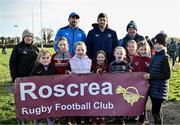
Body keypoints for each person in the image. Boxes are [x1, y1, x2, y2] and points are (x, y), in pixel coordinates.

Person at [143, 32, 171, 125]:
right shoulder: (155, 56)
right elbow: (155, 69)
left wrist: (151, 76)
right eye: (155, 44)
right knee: (157, 112)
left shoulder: (165, 58)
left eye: (159, 44)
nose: (157, 46)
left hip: (159, 90)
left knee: (155, 112)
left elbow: (167, 75)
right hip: (154, 88)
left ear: (164, 45)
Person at [68, 41, 92, 124]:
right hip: (75, 87)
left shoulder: (90, 61)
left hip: (87, 87)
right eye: (78, 50)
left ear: (86, 50)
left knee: (87, 103)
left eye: (82, 50)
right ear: (75, 50)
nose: (80, 52)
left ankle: (86, 120)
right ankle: (77, 121)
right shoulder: (71, 61)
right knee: (77, 104)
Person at [30, 49, 56, 125]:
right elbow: (30, 80)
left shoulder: (53, 68)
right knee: (38, 114)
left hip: (51, 95)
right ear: (39, 59)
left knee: (50, 113)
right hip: (39, 96)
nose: (46, 60)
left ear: (50, 58)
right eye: (43, 58)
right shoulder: (36, 69)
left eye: (48, 58)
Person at [130, 40, 151, 124]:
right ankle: (136, 115)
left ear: (148, 50)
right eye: (141, 50)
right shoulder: (135, 58)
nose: (143, 51)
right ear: (138, 50)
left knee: (143, 101)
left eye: (145, 49)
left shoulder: (149, 60)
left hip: (145, 85)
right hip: (136, 84)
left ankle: (142, 119)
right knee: (137, 100)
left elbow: (151, 72)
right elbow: (131, 69)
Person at [109, 46, 129, 125]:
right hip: (115, 87)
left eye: (121, 53)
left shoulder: (126, 64)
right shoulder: (112, 64)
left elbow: (128, 75)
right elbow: (109, 76)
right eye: (117, 53)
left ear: (124, 55)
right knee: (116, 102)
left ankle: (122, 118)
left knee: (123, 102)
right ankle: (116, 117)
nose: (119, 55)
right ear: (114, 54)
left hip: (124, 87)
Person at [91, 50, 108, 125]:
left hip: (104, 87)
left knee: (103, 102)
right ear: (96, 58)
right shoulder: (93, 65)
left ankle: (102, 118)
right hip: (94, 87)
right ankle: (94, 117)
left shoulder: (107, 65)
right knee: (94, 102)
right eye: (99, 57)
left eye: (102, 57)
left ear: (104, 58)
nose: (100, 58)